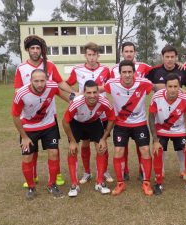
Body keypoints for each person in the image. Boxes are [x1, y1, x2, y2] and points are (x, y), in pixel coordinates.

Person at [14, 35, 76, 188]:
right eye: (32, 48)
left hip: (49, 115)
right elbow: (18, 90)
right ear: (28, 50)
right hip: (28, 117)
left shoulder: (49, 65)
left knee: (53, 148)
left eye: (38, 48)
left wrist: (76, 94)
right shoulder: (21, 68)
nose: (35, 51)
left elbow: (59, 84)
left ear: (41, 50)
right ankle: (32, 176)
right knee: (31, 150)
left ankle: (57, 174)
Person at [12, 69, 68, 200]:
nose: (39, 84)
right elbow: (15, 116)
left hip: (49, 126)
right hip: (29, 129)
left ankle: (52, 184)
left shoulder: (52, 86)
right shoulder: (21, 94)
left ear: (46, 80)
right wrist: (24, 137)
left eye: (42, 80)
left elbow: (62, 94)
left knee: (54, 153)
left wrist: (73, 101)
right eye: (36, 81)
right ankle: (31, 187)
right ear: (30, 81)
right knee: (27, 157)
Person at [66, 42, 113, 184]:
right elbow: (67, 83)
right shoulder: (78, 69)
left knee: (102, 144)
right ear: (85, 55)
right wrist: (74, 94)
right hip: (83, 111)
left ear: (98, 55)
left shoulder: (105, 69)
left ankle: (104, 170)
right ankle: (87, 172)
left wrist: (99, 89)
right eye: (89, 55)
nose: (92, 58)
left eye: (94, 55)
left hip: (101, 111)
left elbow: (109, 86)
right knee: (85, 144)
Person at [104, 60, 153, 196]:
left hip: (140, 124)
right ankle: (120, 184)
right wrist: (79, 94)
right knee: (118, 151)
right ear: (119, 73)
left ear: (134, 73)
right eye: (124, 72)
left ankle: (146, 183)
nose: (127, 75)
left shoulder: (144, 84)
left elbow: (158, 88)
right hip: (121, 124)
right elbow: (98, 90)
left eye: (129, 72)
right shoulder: (111, 84)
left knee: (145, 150)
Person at [62, 80, 115, 197]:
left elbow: (112, 118)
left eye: (95, 92)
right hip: (77, 123)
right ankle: (74, 184)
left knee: (101, 148)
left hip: (94, 122)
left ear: (98, 92)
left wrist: (103, 138)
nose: (92, 96)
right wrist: (72, 141)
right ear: (84, 93)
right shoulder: (76, 102)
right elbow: (65, 121)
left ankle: (100, 182)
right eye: (89, 93)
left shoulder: (104, 101)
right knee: (72, 151)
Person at [147, 45, 186, 180]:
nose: (170, 60)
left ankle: (184, 170)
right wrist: (161, 87)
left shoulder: (183, 70)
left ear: (176, 57)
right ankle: (162, 170)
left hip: (177, 112)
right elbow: (145, 84)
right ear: (162, 57)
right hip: (161, 113)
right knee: (161, 147)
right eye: (167, 57)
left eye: (172, 57)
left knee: (181, 147)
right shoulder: (154, 71)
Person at [110, 42, 152, 181]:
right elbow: (101, 88)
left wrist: (178, 65)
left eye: (131, 51)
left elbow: (159, 72)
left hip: (139, 122)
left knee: (143, 148)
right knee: (122, 148)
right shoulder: (113, 71)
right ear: (122, 53)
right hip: (121, 122)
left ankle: (143, 172)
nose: (128, 53)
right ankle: (124, 171)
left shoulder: (144, 69)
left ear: (135, 52)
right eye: (126, 51)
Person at [149, 73, 186, 195]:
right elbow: (151, 118)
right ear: (165, 87)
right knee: (158, 150)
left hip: (179, 130)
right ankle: (158, 182)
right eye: (170, 86)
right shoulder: (156, 97)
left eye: (176, 86)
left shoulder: (185, 98)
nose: (173, 89)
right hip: (162, 130)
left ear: (179, 86)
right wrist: (155, 140)